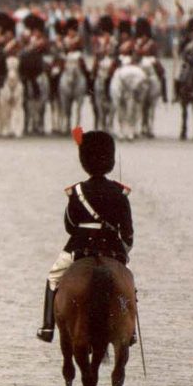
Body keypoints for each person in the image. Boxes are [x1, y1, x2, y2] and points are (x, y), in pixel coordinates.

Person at [37, 130, 132, 342]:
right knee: (129, 283)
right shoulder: (119, 193)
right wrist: (122, 252)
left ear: (85, 161)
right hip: (111, 248)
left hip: (80, 246)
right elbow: (127, 232)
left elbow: (70, 225)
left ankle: (47, 327)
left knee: (53, 277)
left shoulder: (77, 191)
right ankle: (130, 330)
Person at [133, 16, 167, 102]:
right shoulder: (135, 41)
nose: (143, 36)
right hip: (138, 60)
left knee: (161, 72)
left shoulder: (151, 42)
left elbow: (154, 52)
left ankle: (164, 95)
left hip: (149, 59)